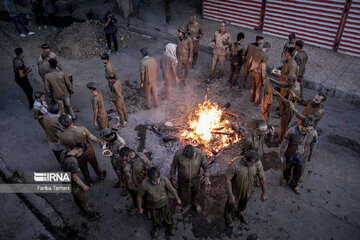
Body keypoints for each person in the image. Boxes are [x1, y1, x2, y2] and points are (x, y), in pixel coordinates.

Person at [59, 142, 104, 221]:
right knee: (83, 198)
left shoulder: (63, 153)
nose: (81, 154)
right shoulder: (73, 161)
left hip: (64, 179)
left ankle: (81, 207)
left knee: (76, 196)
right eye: (82, 152)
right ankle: (91, 214)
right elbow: (75, 178)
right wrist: (84, 186)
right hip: (72, 183)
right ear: (80, 150)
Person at [59, 114, 106, 185]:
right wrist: (100, 142)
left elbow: (65, 150)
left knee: (84, 168)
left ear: (62, 125)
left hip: (77, 154)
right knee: (95, 164)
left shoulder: (62, 137)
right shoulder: (81, 129)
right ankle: (101, 176)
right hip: (88, 150)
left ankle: (89, 182)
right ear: (71, 121)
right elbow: (92, 137)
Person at [224, 151, 267, 227]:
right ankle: (227, 215)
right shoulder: (234, 164)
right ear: (245, 159)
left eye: (254, 163)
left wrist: (264, 192)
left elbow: (262, 178)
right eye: (251, 163)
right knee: (231, 204)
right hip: (236, 191)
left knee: (244, 203)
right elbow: (227, 179)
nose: (253, 165)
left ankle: (241, 212)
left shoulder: (257, 163)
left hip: (248, 190)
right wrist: (230, 195)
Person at [137, 167, 181, 238]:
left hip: (164, 203)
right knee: (154, 218)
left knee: (168, 216)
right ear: (149, 179)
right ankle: (156, 228)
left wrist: (177, 198)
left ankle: (170, 227)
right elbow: (139, 196)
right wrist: (140, 207)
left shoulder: (164, 180)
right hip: (152, 205)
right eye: (154, 181)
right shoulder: (144, 184)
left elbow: (172, 189)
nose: (156, 182)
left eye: (157, 180)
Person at [279, 118, 318, 194]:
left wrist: (311, 154)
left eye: (311, 129)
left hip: (303, 156)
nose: (309, 131)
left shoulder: (313, 133)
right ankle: (285, 178)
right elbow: (284, 143)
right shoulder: (292, 130)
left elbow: (314, 144)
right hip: (291, 154)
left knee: (299, 172)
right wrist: (281, 154)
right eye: (307, 129)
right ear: (302, 126)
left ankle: (293, 184)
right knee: (287, 167)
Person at [170, 145, 211, 213]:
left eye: (191, 157)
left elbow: (205, 166)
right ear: (184, 153)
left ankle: (195, 203)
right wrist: (172, 178)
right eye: (188, 157)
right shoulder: (178, 154)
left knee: (196, 192)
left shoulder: (200, 154)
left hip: (196, 178)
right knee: (181, 192)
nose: (190, 158)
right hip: (182, 178)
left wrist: (207, 177)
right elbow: (173, 166)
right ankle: (180, 203)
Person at [271, 47, 299, 143]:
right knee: (283, 115)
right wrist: (278, 71)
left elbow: (290, 78)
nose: (284, 53)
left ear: (289, 53)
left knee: (284, 122)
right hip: (283, 89)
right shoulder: (287, 61)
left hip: (288, 101)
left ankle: (280, 139)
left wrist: (280, 75)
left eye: (286, 52)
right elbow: (284, 73)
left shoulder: (292, 65)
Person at [119, 146, 153, 215]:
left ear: (129, 155)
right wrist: (121, 181)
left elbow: (150, 167)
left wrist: (151, 181)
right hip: (130, 184)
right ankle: (136, 206)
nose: (123, 161)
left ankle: (149, 209)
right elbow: (120, 171)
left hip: (142, 183)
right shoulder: (122, 160)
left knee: (147, 197)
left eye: (125, 159)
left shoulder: (140, 157)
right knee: (134, 196)